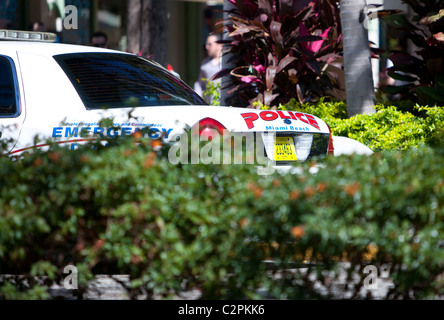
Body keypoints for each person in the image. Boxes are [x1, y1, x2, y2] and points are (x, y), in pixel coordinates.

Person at [194, 33, 223, 104]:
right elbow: (199, 84)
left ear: (219, 45)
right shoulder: (205, 63)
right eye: (206, 44)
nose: (207, 47)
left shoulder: (227, 64)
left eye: (210, 44)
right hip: (209, 105)